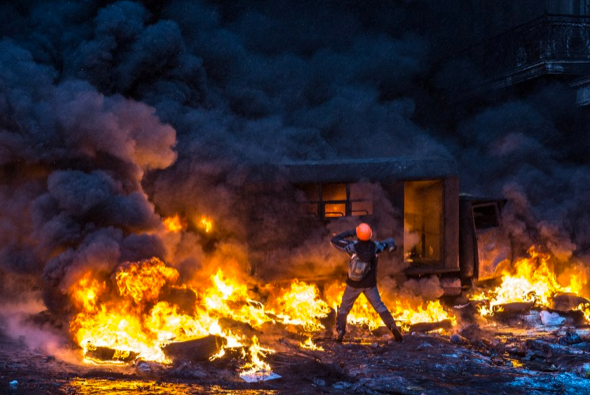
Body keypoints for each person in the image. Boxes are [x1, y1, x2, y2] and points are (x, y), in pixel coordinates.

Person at [331, 223, 403, 343]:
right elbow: (390, 241)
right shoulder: (375, 247)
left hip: (353, 284)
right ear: (370, 235)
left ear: (358, 235)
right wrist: (391, 247)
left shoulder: (351, 247)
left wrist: (352, 232)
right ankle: (393, 327)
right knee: (379, 306)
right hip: (370, 285)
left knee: (344, 308)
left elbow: (334, 240)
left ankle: (340, 333)